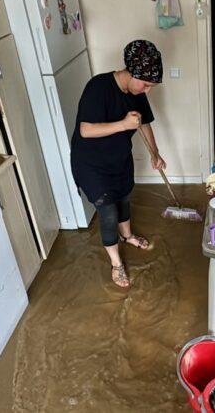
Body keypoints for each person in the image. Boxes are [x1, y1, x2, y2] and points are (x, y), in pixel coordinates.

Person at [70, 40, 167, 288]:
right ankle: (116, 263)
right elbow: (86, 130)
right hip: (92, 164)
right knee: (109, 212)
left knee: (124, 198)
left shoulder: (136, 93)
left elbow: (144, 123)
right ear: (132, 72)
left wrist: (155, 153)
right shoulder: (98, 87)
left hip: (119, 158)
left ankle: (128, 236)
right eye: (146, 84)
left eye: (151, 86)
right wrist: (123, 125)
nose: (147, 90)